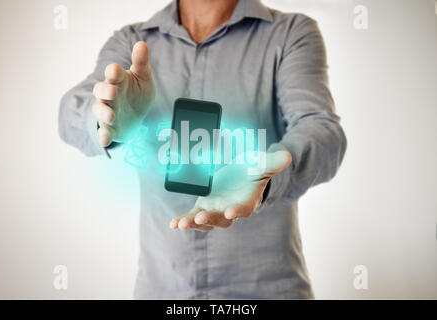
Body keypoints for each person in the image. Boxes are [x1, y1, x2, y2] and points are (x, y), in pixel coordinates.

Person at [59, 0, 346, 299]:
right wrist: (109, 119)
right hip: (163, 291)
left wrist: (264, 177)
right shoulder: (132, 42)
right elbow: (70, 115)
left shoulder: (289, 33)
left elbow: (321, 130)